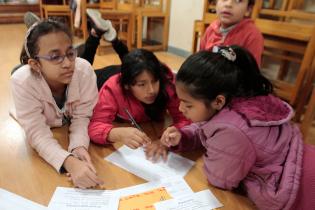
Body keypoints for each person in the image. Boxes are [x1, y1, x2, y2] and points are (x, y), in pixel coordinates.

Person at [157, 46, 315, 210]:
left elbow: (219, 179)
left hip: (302, 192)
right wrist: (184, 136)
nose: (181, 109)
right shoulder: (240, 97)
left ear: (218, 101)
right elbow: (208, 126)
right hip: (303, 160)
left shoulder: (231, 130)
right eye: (179, 100)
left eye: (188, 105)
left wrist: (208, 147)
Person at [11, 19, 103, 189]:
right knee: (17, 72)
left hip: (60, 105)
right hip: (30, 80)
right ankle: (34, 29)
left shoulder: (84, 70)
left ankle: (37, 28)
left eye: (70, 53)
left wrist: (79, 147)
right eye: (55, 57)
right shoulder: (22, 82)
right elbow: (37, 133)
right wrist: (69, 162)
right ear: (36, 64)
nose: (68, 64)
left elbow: (82, 117)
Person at [85, 9, 191, 149]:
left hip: (132, 72)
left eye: (155, 81)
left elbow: (185, 119)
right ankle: (96, 34)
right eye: (142, 85)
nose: (152, 90)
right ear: (128, 86)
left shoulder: (167, 81)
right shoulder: (113, 88)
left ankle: (115, 39)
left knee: (136, 62)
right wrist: (116, 133)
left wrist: (177, 132)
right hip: (102, 78)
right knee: (81, 71)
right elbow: (95, 126)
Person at [200, 0, 264, 66]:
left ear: (248, 9)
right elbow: (200, 58)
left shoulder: (252, 36)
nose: (228, 4)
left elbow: (251, 72)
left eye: (238, 0)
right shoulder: (210, 29)